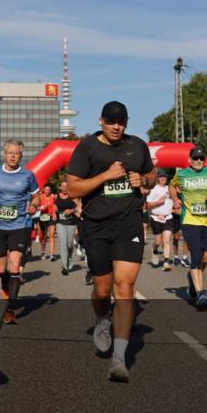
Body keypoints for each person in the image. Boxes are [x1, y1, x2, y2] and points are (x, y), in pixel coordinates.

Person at [66, 101, 156, 382]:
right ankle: (102, 319)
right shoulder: (87, 147)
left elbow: (152, 176)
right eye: (111, 121)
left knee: (125, 287)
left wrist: (143, 179)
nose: (117, 126)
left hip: (129, 223)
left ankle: (119, 358)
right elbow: (72, 188)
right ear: (101, 121)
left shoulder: (137, 146)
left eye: (122, 121)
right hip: (96, 226)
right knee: (103, 291)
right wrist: (106, 176)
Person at [0, 140, 40, 325]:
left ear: (21, 156)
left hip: (20, 224)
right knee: (1, 269)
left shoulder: (28, 175)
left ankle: (10, 309)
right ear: (4, 154)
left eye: (16, 153)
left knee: (15, 266)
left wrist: (34, 205)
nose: (13, 156)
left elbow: (36, 196)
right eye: (10, 153)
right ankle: (5, 283)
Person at [170, 147, 207, 312]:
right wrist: (175, 199)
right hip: (189, 220)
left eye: (201, 158)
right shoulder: (181, 174)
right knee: (195, 255)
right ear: (190, 160)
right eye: (195, 158)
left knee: (205, 258)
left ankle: (192, 277)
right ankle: (200, 294)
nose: (198, 161)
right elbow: (172, 186)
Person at [145, 172, 173, 270]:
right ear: (158, 178)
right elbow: (147, 205)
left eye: (165, 177)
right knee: (157, 240)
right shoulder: (153, 189)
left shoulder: (170, 189)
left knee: (166, 240)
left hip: (168, 217)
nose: (163, 178)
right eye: (161, 177)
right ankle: (154, 250)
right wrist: (158, 202)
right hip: (156, 218)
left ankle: (166, 262)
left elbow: (176, 198)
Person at [54, 181, 81, 275]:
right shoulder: (56, 196)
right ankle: (64, 266)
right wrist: (54, 213)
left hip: (71, 223)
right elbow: (55, 205)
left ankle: (69, 258)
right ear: (60, 187)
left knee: (69, 245)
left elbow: (79, 207)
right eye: (63, 186)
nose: (65, 188)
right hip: (60, 223)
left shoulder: (73, 196)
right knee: (63, 244)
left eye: (66, 186)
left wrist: (72, 210)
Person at [38, 184, 56, 260]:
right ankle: (43, 251)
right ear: (43, 190)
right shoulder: (40, 197)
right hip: (42, 217)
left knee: (52, 235)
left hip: (51, 216)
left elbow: (55, 205)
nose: (47, 191)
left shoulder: (53, 197)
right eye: (46, 190)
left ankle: (51, 254)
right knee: (44, 236)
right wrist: (41, 208)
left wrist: (55, 213)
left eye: (49, 190)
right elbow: (36, 207)